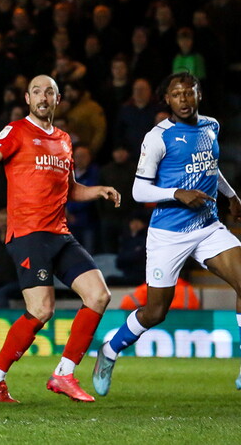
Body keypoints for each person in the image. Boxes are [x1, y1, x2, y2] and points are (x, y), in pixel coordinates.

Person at [0, 75, 121, 403]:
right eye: (36, 91)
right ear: (28, 99)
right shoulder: (16, 131)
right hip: (29, 234)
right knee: (42, 309)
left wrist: (97, 191)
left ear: (58, 99)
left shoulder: (63, 139)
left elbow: (71, 188)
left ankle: (63, 374)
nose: (43, 96)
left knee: (99, 295)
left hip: (60, 233)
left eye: (49, 91)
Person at [92, 72, 241, 395]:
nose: (184, 100)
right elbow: (137, 190)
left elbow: (209, 170)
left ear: (199, 94)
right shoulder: (158, 136)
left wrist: (230, 194)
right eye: (176, 95)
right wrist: (176, 193)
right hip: (169, 233)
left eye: (189, 93)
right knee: (156, 311)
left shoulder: (211, 126)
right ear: (167, 100)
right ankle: (110, 349)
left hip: (207, 225)